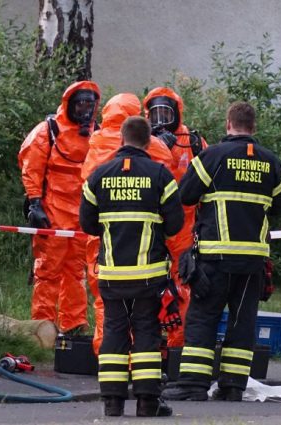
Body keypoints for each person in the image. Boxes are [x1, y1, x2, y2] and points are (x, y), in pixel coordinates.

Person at [162, 101, 281, 402]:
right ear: (253, 126)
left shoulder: (213, 156)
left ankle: (193, 385)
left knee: (203, 318)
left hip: (215, 257)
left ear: (228, 123)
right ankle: (233, 386)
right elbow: (279, 207)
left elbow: (186, 195)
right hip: (253, 261)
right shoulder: (272, 163)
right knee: (242, 322)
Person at [79, 116, 184, 417]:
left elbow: (87, 224)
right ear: (149, 141)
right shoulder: (160, 175)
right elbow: (176, 224)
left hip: (112, 274)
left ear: (121, 139)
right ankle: (147, 403)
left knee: (114, 332)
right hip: (149, 275)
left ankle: (112, 402)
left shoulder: (99, 176)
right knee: (146, 332)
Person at [80, 93, 177, 355]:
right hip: (147, 262)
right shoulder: (157, 149)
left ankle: (106, 360)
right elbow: (173, 213)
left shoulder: (96, 142)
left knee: (109, 317)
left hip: (106, 251)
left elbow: (86, 217)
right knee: (145, 325)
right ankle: (141, 369)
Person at [18, 81, 100, 334]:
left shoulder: (97, 134)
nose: (85, 110)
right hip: (53, 210)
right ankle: (42, 325)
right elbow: (31, 167)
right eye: (80, 105)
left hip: (83, 212)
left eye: (89, 105)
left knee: (76, 271)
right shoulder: (49, 130)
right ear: (70, 105)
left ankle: (73, 323)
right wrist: (34, 203)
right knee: (48, 269)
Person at [143, 87, 210, 349]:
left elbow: (207, 178)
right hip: (150, 222)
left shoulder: (192, 142)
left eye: (166, 114)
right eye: (155, 114)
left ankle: (178, 343)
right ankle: (145, 339)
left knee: (183, 279)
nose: (161, 120)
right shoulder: (142, 140)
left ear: (177, 114)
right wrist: (157, 146)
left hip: (183, 222)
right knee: (145, 280)